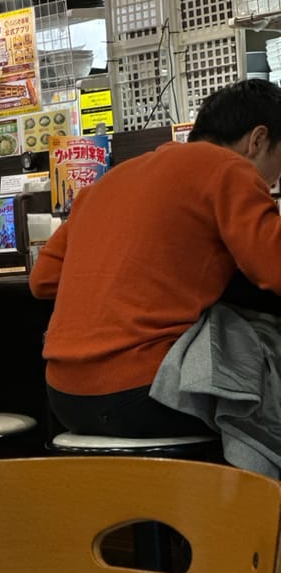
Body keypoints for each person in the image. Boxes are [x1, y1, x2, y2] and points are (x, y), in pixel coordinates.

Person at [29, 78, 281, 438]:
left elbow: (43, 281)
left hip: (64, 396)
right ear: (257, 140)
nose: (272, 182)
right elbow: (274, 269)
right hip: (144, 392)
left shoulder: (109, 181)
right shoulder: (228, 168)